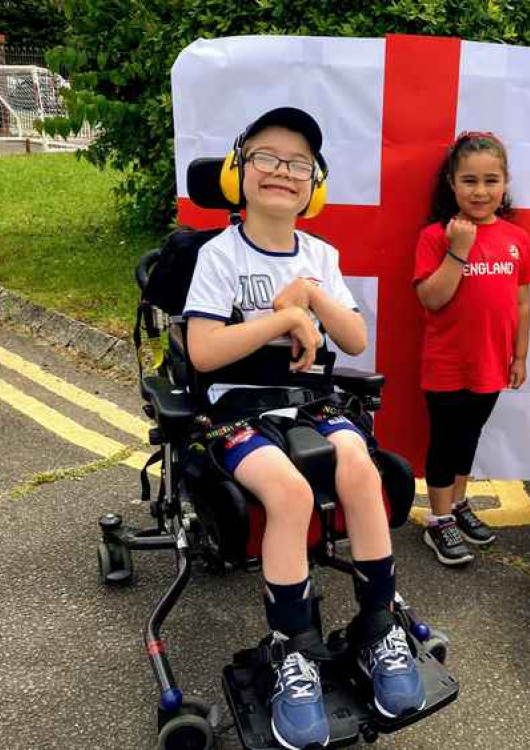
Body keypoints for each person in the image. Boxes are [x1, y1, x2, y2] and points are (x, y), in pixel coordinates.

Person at [183, 107, 425, 750]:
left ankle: (380, 629)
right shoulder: (217, 254)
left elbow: (354, 337)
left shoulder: (322, 254)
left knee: (361, 470)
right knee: (288, 493)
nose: (282, 172)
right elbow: (205, 353)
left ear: (313, 184)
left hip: (310, 401)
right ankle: (294, 652)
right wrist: (282, 317)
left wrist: (313, 298)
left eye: (298, 165)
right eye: (266, 157)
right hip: (235, 408)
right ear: (239, 169)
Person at [413, 131, 530, 566]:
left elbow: (522, 302)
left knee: (470, 436)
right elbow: (431, 298)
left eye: (491, 180)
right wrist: (459, 250)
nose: (480, 191)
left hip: (492, 362)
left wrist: (520, 355)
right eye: (469, 180)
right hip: (447, 363)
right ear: (452, 182)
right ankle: (439, 519)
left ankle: (459, 503)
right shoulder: (437, 236)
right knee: (445, 440)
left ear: (505, 183)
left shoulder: (516, 238)